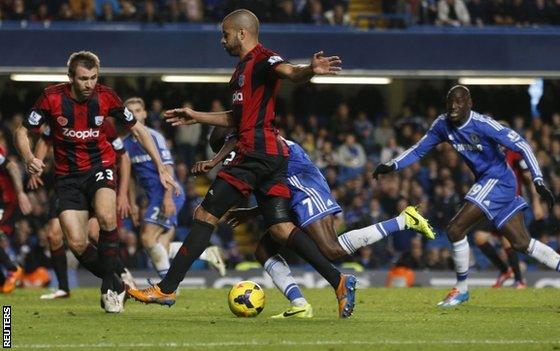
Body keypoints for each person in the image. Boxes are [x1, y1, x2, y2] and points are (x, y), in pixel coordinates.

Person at [127, 9, 357, 318]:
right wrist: (195, 115)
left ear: (242, 34)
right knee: (280, 228)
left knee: (205, 213)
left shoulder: (264, 59)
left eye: (225, 34)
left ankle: (167, 288)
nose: (222, 40)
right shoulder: (240, 72)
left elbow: (290, 73)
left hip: (255, 152)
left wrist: (309, 70)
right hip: (270, 155)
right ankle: (339, 281)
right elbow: (235, 118)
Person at [373, 85, 560, 307]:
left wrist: (538, 180)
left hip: (498, 180)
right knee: (522, 243)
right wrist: (392, 166)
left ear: (470, 104)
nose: (454, 106)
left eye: (460, 101)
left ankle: (461, 290)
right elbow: (419, 149)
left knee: (455, 229)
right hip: (489, 182)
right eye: (451, 101)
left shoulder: (483, 125)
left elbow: (522, 145)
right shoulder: (442, 125)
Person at [197, 127, 434, 318]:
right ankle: (300, 304)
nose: (228, 159)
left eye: (224, 152)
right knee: (263, 252)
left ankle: (403, 220)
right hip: (289, 189)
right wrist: (254, 211)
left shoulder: (252, 145)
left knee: (331, 249)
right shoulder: (253, 143)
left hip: (302, 183)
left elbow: (274, 178)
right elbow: (271, 190)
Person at [14, 50, 178, 313]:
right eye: (82, 78)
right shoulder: (51, 98)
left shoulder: (106, 97)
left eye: (93, 78)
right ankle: (117, 283)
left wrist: (160, 165)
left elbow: (137, 129)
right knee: (77, 242)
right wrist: (29, 157)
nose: (89, 84)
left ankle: (108, 292)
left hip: (100, 168)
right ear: (70, 78)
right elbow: (21, 131)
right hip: (67, 177)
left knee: (106, 218)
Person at [29, 121, 136, 300]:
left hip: (93, 182)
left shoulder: (103, 122)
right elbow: (44, 140)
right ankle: (64, 287)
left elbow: (123, 157)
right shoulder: (57, 118)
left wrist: (123, 193)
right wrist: (37, 166)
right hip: (66, 184)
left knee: (94, 234)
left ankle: (122, 274)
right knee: (54, 236)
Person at [123, 97, 225, 279]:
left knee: (146, 237)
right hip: (153, 197)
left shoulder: (154, 137)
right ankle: (206, 255)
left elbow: (168, 167)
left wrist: (167, 197)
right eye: (130, 112)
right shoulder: (126, 144)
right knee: (161, 245)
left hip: (167, 193)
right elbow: (130, 177)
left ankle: (165, 287)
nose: (135, 115)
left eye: (138, 110)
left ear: (145, 113)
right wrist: (133, 203)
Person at [475, 146, 544, 289]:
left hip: (510, 203)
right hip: (493, 204)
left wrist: (536, 203)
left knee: (507, 240)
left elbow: (527, 178)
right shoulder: (489, 153)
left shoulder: (515, 154)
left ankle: (519, 280)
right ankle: (506, 271)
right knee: (480, 237)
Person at [0, 143, 32, 294]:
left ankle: (13, 269)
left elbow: (12, 166)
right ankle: (2, 282)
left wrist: (20, 193)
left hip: (5, 200)